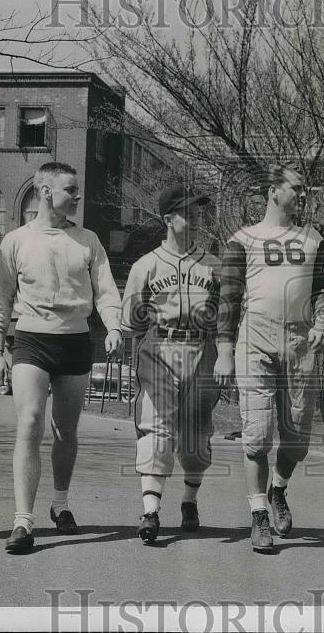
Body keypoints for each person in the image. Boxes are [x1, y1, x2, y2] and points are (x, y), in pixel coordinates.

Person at [0, 161, 123, 554]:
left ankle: (60, 504)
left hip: (76, 341)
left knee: (65, 430)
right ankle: (22, 521)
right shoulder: (15, 240)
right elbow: (1, 298)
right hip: (31, 338)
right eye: (70, 190)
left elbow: (106, 290)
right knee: (30, 422)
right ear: (46, 192)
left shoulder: (88, 240)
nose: (77, 197)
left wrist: (113, 326)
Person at [215, 163, 324, 553]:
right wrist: (224, 351)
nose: (303, 195)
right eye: (297, 188)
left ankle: (278, 488)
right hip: (256, 339)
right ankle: (259, 516)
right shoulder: (243, 239)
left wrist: (321, 321)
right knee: (258, 435)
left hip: (300, 341)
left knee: (297, 438)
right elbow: (228, 299)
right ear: (273, 192)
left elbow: (323, 290)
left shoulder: (314, 238)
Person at [121, 183, 221, 544]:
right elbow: (130, 321)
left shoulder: (213, 266)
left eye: (199, 213)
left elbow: (227, 319)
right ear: (168, 219)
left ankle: (189, 501)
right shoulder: (145, 265)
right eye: (187, 213)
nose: (196, 219)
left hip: (200, 349)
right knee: (155, 429)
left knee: (195, 438)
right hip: (160, 345)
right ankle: (150, 512)